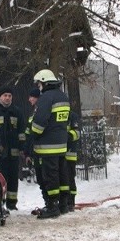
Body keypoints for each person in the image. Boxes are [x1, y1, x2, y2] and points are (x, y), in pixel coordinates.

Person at [30, 69, 70, 219]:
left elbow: (40, 122)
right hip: (61, 144)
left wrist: (33, 134)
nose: (38, 86)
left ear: (44, 82)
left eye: (39, 83)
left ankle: (52, 206)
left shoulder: (46, 98)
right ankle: (63, 205)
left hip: (47, 147)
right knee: (62, 174)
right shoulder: (63, 96)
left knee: (50, 176)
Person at [0, 85, 26, 210]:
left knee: (13, 178)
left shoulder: (17, 112)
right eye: (5, 95)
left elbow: (22, 131)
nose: (7, 98)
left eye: (9, 96)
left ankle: (11, 203)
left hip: (13, 153)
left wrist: (22, 147)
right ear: (0, 97)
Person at [24, 87, 46, 215]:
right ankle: (48, 203)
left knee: (45, 178)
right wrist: (27, 152)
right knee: (42, 179)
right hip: (35, 151)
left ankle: (51, 203)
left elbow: (34, 134)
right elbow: (29, 135)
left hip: (42, 151)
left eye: (31, 97)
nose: (29, 99)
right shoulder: (34, 112)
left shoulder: (40, 111)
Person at [64, 110, 81, 212]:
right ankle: (63, 201)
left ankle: (71, 202)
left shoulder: (72, 116)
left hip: (70, 154)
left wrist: (66, 136)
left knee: (70, 178)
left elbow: (77, 133)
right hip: (59, 153)